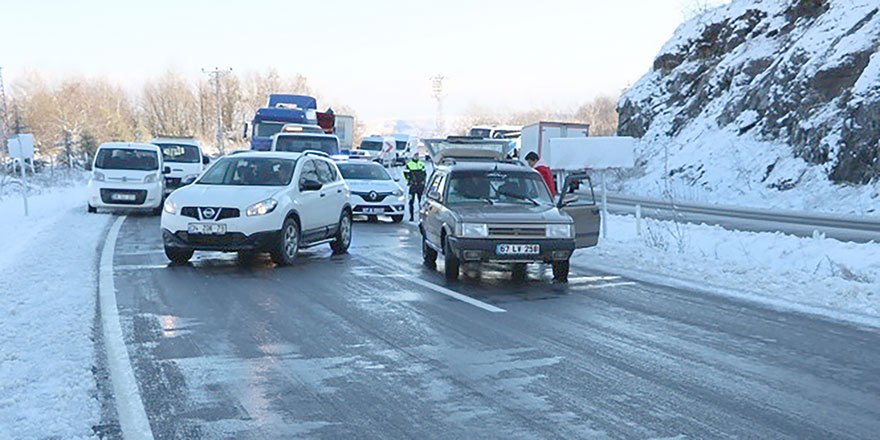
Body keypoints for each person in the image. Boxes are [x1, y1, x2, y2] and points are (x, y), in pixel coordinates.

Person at [403, 152, 427, 221]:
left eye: (417, 155)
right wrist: (409, 181)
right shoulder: (409, 164)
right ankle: (411, 217)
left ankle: (421, 216)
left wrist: (423, 182)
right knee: (411, 201)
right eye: (415, 155)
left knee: (421, 202)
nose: (416, 157)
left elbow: (424, 174)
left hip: (420, 186)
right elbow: (405, 173)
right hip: (412, 186)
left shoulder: (421, 164)